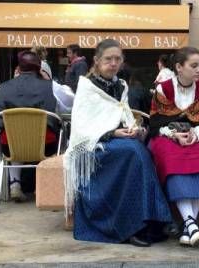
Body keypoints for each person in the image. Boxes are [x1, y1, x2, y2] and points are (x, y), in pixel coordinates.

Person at [65, 39, 172, 247]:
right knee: (133, 153)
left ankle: (149, 222)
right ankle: (133, 226)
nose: (113, 63)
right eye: (108, 59)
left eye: (117, 59)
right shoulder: (87, 87)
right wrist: (113, 132)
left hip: (116, 142)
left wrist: (134, 129)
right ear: (97, 61)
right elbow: (82, 127)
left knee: (142, 150)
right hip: (93, 146)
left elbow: (122, 115)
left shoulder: (120, 85)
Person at [149, 47, 199, 247]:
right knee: (172, 159)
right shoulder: (163, 89)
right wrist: (174, 135)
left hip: (196, 136)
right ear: (179, 67)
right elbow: (155, 123)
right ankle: (191, 223)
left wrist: (195, 134)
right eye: (194, 65)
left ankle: (189, 225)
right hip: (167, 136)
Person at [0, 51, 74, 201]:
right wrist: (49, 80)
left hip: (10, 145)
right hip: (45, 144)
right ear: (39, 68)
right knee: (59, 135)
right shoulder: (51, 87)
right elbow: (71, 103)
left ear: (18, 68)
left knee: (13, 135)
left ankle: (14, 183)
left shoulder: (1, 88)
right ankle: (43, 186)